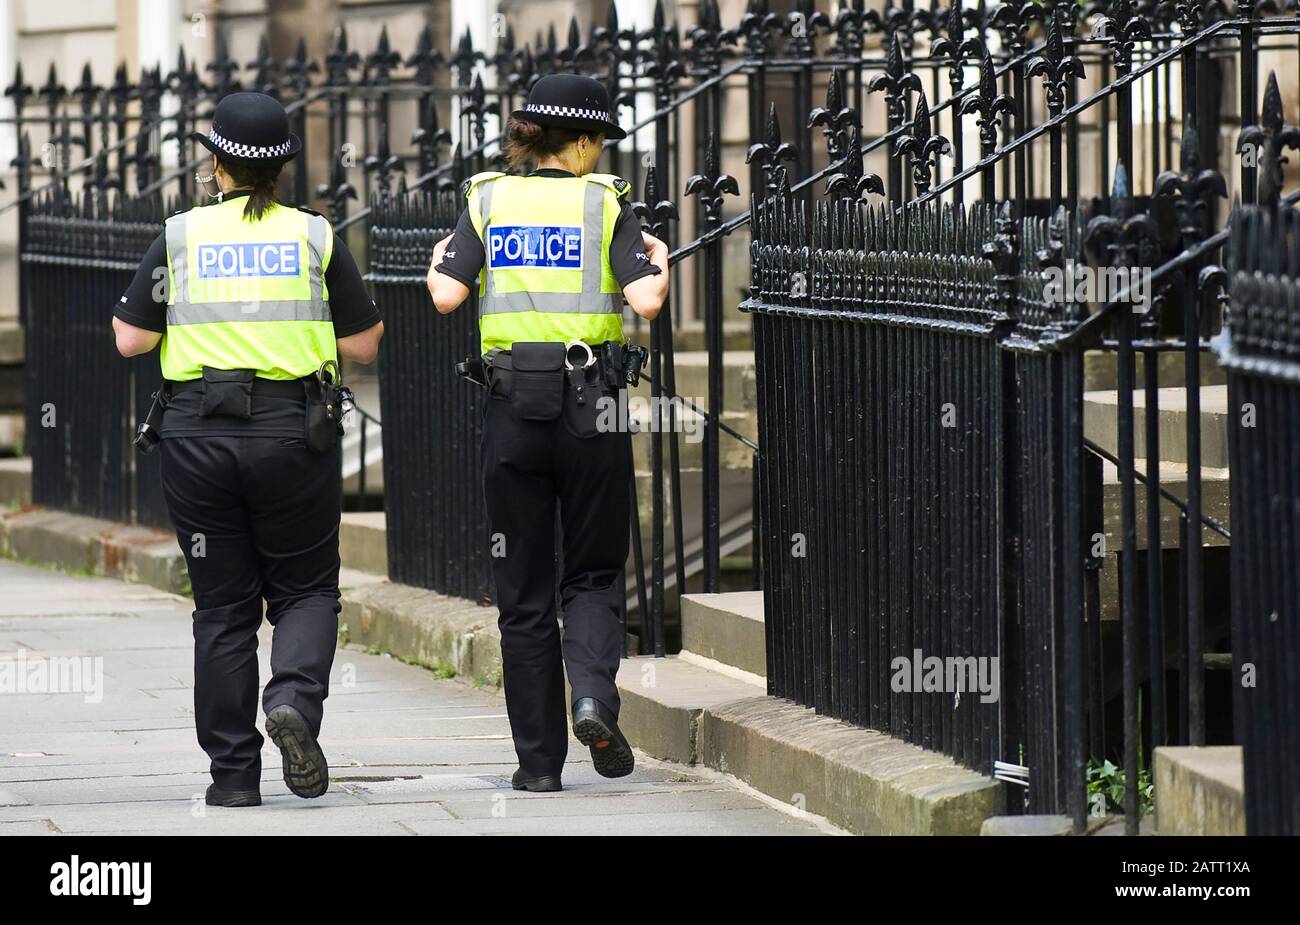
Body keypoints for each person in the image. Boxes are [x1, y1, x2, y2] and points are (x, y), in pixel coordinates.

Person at [111, 91, 384, 807]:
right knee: (306, 588)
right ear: (283, 166)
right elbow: (363, 341)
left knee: (223, 609)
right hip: (292, 434)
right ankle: (291, 696)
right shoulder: (314, 237)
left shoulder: (178, 236)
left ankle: (233, 777)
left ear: (215, 163)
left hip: (198, 435)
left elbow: (130, 337)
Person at [426, 73, 670, 792]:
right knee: (593, 570)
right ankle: (592, 694)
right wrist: (657, 255)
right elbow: (648, 302)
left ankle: (538, 767)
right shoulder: (605, 203)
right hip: (590, 405)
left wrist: (450, 248)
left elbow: (446, 293)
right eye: (601, 142)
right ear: (587, 141)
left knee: (523, 591)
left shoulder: (488, 198)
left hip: (510, 412)